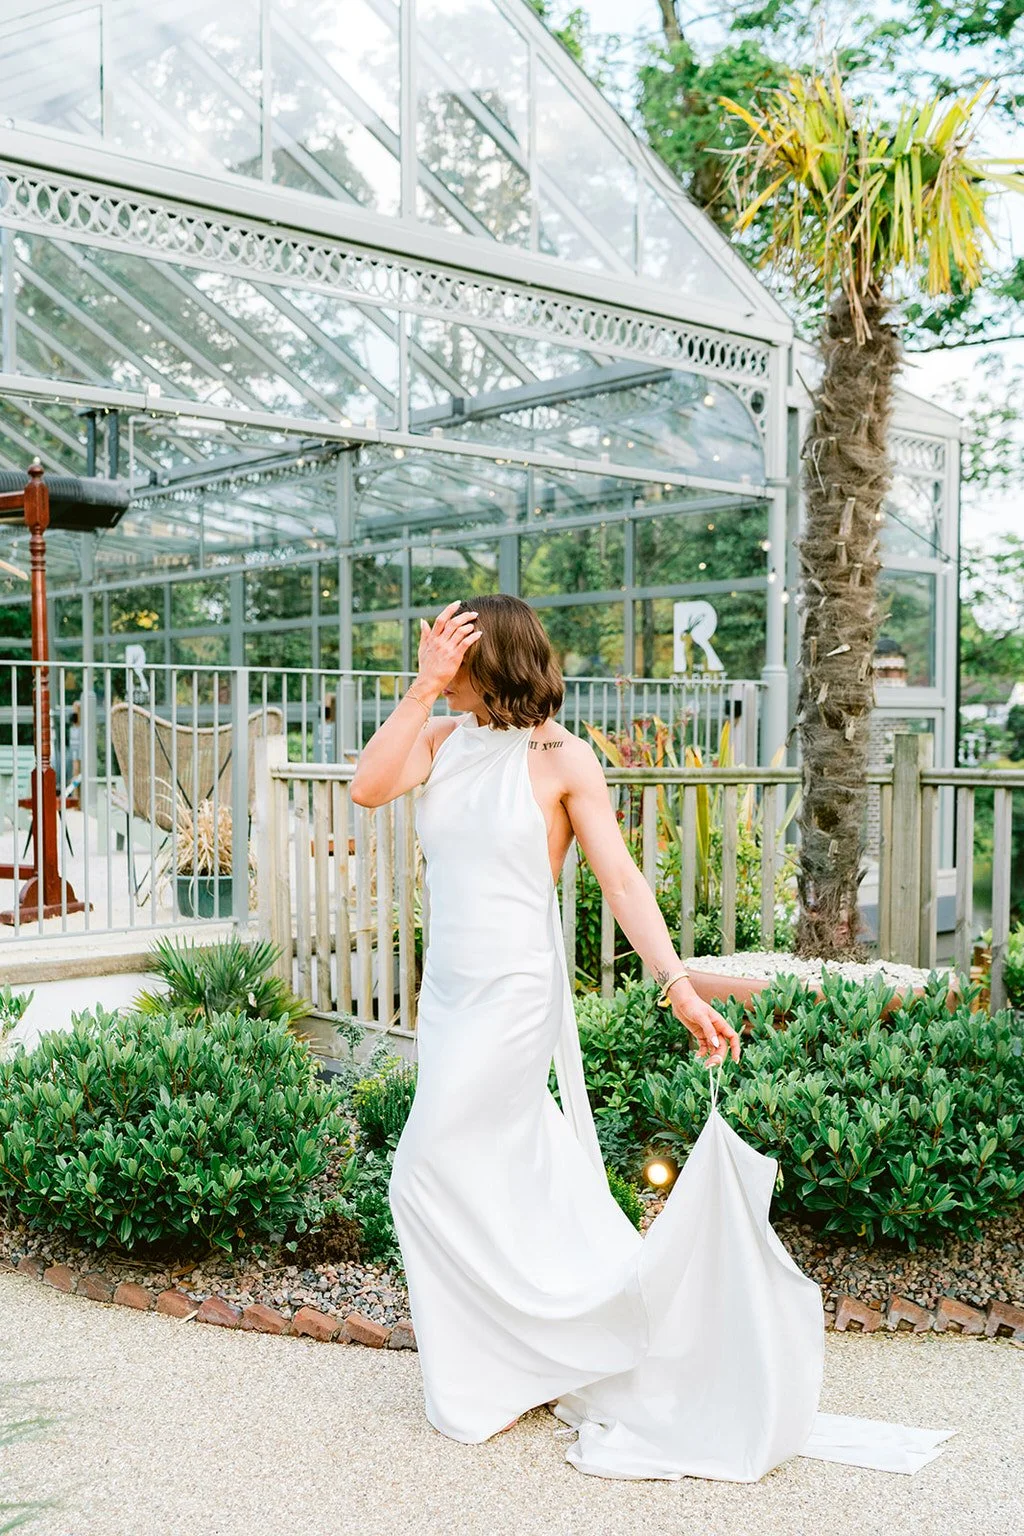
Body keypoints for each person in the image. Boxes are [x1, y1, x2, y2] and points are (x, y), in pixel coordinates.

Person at [350, 596, 954, 1482]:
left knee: (424, 1170)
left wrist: (677, 985)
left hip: (517, 992)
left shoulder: (561, 757)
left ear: (499, 659)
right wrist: (422, 689)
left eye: (453, 649)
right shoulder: (439, 740)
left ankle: (521, 1357)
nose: (440, 661)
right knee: (496, 1169)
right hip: (449, 993)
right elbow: (367, 787)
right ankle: (515, 1357)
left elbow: (623, 880)